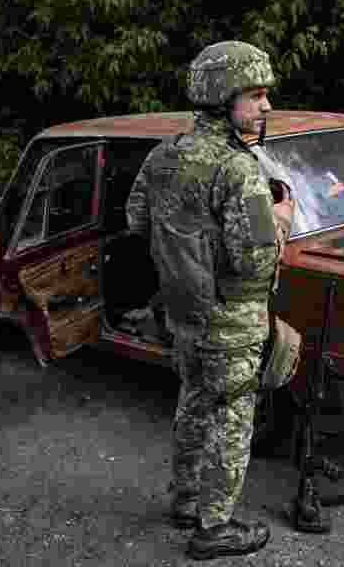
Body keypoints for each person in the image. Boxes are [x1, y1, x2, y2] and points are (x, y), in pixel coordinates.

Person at [125, 40, 294, 561]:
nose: (265, 107)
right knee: (233, 419)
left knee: (194, 405)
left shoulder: (163, 155)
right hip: (232, 320)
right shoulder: (238, 168)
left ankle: (184, 501)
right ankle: (214, 527)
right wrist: (283, 221)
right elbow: (256, 261)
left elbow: (135, 221)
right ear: (225, 98)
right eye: (257, 95)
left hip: (185, 313)